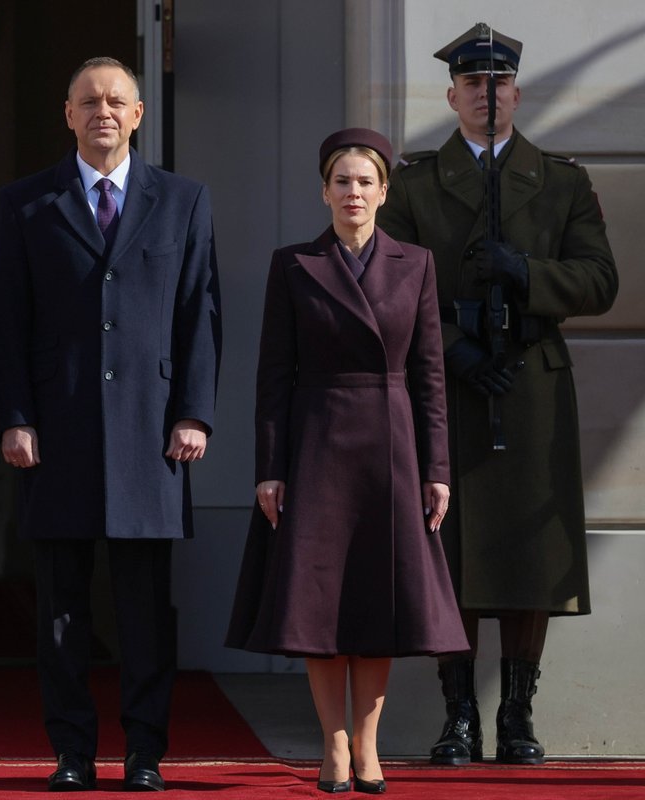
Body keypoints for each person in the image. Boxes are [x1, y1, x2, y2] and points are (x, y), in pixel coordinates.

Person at [377, 24, 618, 766]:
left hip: (531, 381)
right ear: (453, 96)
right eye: (474, 83)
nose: (488, 94)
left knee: (529, 559)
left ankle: (516, 714)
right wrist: (454, 346)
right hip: (449, 383)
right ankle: (458, 715)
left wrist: (528, 273)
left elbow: (600, 281)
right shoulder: (414, 183)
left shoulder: (562, 181)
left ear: (517, 92)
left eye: (500, 83)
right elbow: (388, 281)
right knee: (451, 549)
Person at [0, 56, 221, 792]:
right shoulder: (25, 203)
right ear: (68, 114)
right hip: (56, 433)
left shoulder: (182, 200)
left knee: (144, 608)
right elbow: (7, 322)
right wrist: (16, 417)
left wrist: (194, 412)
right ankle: (72, 752)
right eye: (89, 102)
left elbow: (200, 313)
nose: (104, 113)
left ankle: (145, 750)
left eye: (117, 101)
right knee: (61, 609)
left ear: (138, 114)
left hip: (152, 433)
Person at [224, 128, 469, 794]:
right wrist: (270, 467)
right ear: (324, 192)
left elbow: (430, 376)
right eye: (341, 181)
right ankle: (332, 742)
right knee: (320, 603)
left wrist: (437, 468)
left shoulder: (417, 264)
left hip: (392, 448)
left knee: (376, 603)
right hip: (317, 445)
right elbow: (273, 375)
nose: (352, 192)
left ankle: (368, 744)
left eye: (365, 182)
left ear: (384, 192)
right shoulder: (293, 264)